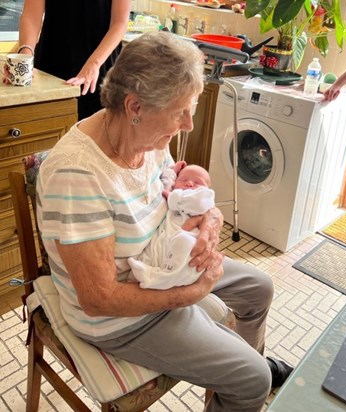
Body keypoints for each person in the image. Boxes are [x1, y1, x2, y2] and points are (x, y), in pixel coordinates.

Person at [36, 31, 292, 412]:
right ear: (135, 105)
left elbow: (179, 187)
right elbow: (98, 299)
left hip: (164, 258)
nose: (188, 124)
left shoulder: (143, 135)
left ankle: (244, 361)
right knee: (252, 380)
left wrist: (209, 222)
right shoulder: (77, 174)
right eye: (181, 111)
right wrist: (187, 296)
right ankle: (248, 377)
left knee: (260, 287)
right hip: (120, 316)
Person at [17, 0, 131, 120]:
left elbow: (120, 23)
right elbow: (31, 16)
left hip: (99, 68)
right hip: (50, 66)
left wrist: (93, 64)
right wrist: (24, 59)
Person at [128, 164, 216, 289]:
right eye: (183, 180)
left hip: (188, 241)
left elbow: (199, 203)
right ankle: (145, 271)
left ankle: (163, 279)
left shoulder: (203, 197)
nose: (189, 183)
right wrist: (172, 171)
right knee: (153, 248)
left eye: (198, 182)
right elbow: (166, 183)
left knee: (183, 242)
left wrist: (172, 196)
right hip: (166, 236)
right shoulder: (173, 191)